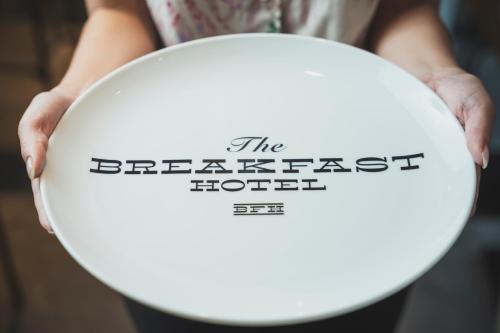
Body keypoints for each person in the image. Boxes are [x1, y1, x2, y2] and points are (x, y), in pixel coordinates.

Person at [18, 0, 495, 332]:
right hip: (171, 178)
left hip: (362, 171)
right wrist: (78, 95)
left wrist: (436, 77)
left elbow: (403, 7)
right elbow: (119, 9)